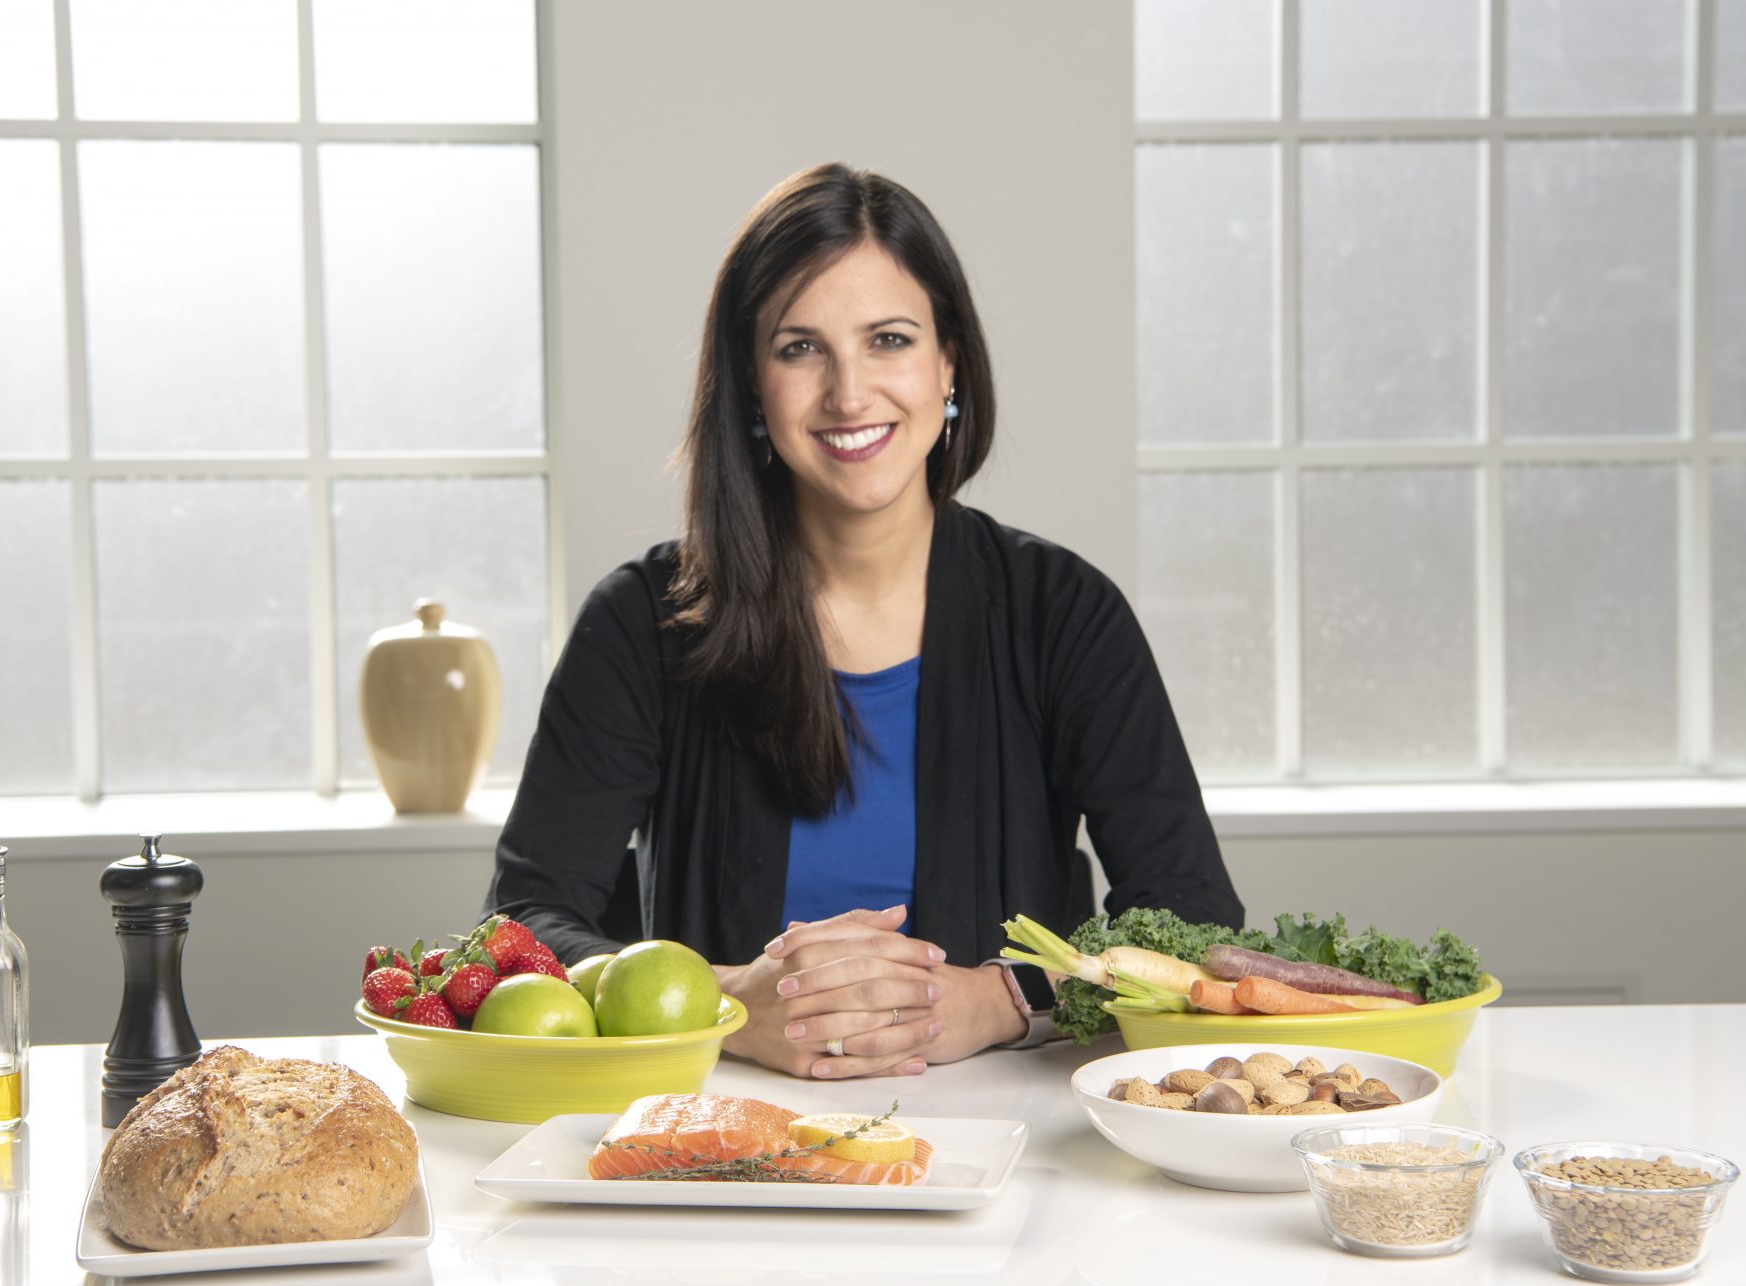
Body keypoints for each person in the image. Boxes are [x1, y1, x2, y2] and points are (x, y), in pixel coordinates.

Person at [486, 163, 1241, 1080]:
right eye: (800, 348)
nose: (849, 395)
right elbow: (522, 924)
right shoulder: (642, 622)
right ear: (751, 385)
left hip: (1014, 1129)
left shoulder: (1065, 613)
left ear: (948, 361)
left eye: (889, 339)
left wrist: (1004, 999)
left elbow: (1193, 919)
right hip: (714, 1137)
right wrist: (725, 1004)